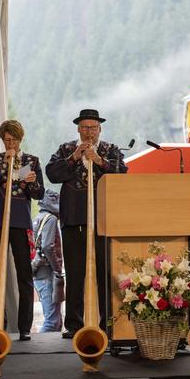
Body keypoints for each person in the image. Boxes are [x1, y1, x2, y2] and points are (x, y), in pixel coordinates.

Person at [46, 109, 128, 339]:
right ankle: (73, 324)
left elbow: (124, 171)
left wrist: (100, 161)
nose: (88, 132)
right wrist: (74, 157)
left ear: (100, 129)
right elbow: (52, 173)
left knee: (104, 272)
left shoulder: (111, 150)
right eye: (84, 128)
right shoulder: (66, 149)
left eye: (92, 128)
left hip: (104, 219)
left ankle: (106, 325)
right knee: (74, 273)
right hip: (73, 220)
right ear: (78, 130)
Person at [0, 119, 44, 341]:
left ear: (20, 139)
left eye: (14, 140)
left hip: (21, 222)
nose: (11, 144)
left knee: (24, 274)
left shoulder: (31, 161)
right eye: (7, 140)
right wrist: (3, 168)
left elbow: (39, 194)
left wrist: (31, 182)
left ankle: (25, 326)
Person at [31, 188, 64, 332]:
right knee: (52, 322)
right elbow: (47, 246)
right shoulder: (50, 219)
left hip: (39, 273)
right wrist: (57, 269)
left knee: (54, 321)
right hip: (48, 273)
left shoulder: (38, 217)